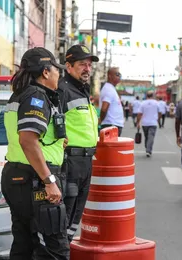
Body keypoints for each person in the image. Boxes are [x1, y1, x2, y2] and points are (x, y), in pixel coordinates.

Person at [1, 47, 69, 259]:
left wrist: (57, 144)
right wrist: (49, 180)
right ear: (46, 72)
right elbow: (28, 141)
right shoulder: (36, 97)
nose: (59, 74)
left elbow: (31, 137)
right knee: (55, 249)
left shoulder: (19, 94)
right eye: (56, 69)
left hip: (18, 176)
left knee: (25, 245)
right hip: (36, 179)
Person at [58, 44, 99, 242]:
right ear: (69, 66)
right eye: (82, 64)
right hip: (69, 163)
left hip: (85, 162)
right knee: (63, 219)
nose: (87, 69)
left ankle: (63, 251)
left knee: (75, 218)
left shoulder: (82, 91)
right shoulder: (62, 90)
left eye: (89, 65)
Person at [100, 67, 124, 136]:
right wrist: (101, 120)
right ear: (109, 76)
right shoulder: (108, 89)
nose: (119, 76)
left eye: (120, 74)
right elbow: (104, 109)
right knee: (111, 147)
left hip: (113, 125)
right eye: (117, 74)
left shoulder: (111, 88)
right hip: (111, 126)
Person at [137, 91, 161, 157]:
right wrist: (158, 119)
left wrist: (138, 122)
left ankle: (148, 150)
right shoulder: (156, 103)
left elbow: (139, 114)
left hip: (145, 123)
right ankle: (148, 148)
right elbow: (160, 112)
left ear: (146, 96)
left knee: (147, 136)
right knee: (150, 137)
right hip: (153, 123)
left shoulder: (143, 103)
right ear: (153, 95)